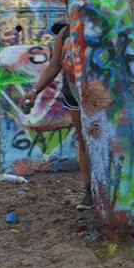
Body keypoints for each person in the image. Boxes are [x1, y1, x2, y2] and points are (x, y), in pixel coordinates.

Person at [22, 22, 92, 210]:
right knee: (84, 140)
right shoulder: (65, 32)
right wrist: (34, 91)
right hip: (74, 92)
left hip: (99, 91)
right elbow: (54, 66)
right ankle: (90, 192)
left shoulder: (100, 23)